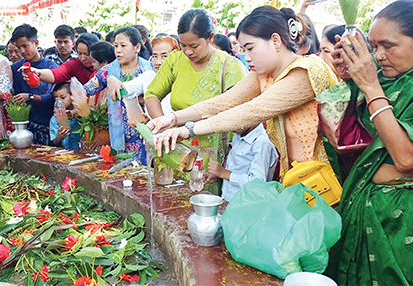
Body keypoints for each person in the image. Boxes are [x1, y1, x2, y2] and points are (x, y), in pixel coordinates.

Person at [322, 1, 413, 285]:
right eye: (374, 46)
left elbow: (407, 158)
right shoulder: (389, 77)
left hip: (410, 227)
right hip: (365, 211)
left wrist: (371, 87)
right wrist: (351, 80)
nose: (379, 55)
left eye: (389, 46)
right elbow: (353, 137)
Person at [148, 6, 337, 181]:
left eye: (250, 48)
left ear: (275, 40)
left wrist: (187, 129)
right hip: (294, 179)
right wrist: (172, 119)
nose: (246, 57)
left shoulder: (307, 70)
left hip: (326, 180)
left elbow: (251, 110)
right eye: (244, 49)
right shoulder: (264, 74)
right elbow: (225, 102)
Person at [144, 9, 248, 193]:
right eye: (183, 45)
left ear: (210, 37)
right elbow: (152, 94)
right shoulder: (176, 60)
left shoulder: (230, 67)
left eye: (194, 45)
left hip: (215, 154)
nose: (188, 51)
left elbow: (238, 113)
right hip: (178, 148)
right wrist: (165, 126)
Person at [82, 27, 153, 164]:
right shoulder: (108, 72)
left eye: (123, 46)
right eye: (116, 46)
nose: (118, 50)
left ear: (137, 47)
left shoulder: (149, 70)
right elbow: (87, 89)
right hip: (118, 135)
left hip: (145, 132)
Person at [107, 35, 179, 121]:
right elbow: (125, 90)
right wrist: (112, 80)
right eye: (155, 56)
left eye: (164, 56)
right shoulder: (148, 77)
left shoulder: (183, 78)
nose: (158, 62)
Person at [10, 24, 57, 145]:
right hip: (25, 126)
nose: (22, 51)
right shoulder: (16, 68)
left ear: (36, 43)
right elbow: (14, 92)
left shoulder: (51, 67)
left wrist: (31, 96)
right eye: (19, 47)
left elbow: (54, 95)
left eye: (25, 46)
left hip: (48, 125)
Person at [207, 124, 278, 202]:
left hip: (247, 205)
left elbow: (257, 182)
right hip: (229, 198)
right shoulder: (239, 133)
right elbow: (236, 167)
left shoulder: (262, 143)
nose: (231, 126)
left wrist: (224, 174)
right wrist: (218, 174)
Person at [25, 33, 100, 85]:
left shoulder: (104, 66)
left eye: (87, 54)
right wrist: (36, 72)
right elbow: (55, 74)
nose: (83, 58)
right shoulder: (75, 64)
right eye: (80, 53)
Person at [50, 82, 81, 150]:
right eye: (57, 99)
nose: (60, 102)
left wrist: (73, 114)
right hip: (65, 154)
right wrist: (58, 138)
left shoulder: (80, 112)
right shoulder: (55, 119)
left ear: (72, 96)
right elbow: (55, 143)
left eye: (63, 98)